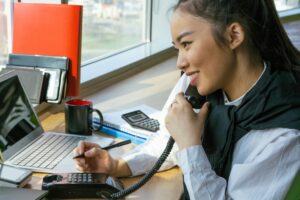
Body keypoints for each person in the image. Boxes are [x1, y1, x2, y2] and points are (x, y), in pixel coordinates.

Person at [74, 0, 300, 199]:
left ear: (234, 36)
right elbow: (167, 144)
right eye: (177, 49)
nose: (179, 63)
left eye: (187, 44)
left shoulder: (283, 132)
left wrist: (190, 144)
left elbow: (184, 144)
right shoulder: (198, 85)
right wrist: (116, 165)